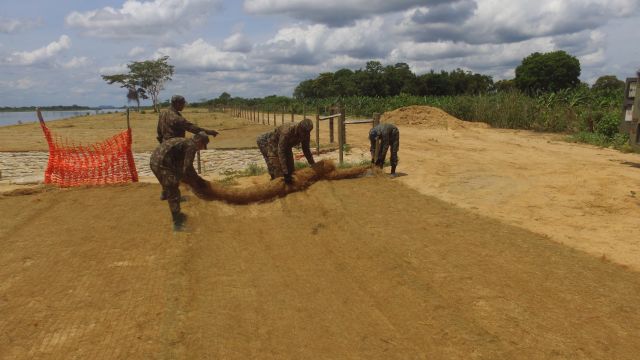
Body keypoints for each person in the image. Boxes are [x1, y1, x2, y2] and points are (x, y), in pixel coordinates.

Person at [150, 131, 209, 231]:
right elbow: (188, 168)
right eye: (203, 145)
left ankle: (165, 194)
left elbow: (182, 167)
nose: (202, 148)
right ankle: (178, 223)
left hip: (155, 161)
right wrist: (199, 181)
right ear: (199, 141)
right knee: (173, 189)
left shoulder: (185, 142)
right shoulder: (191, 146)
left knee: (172, 178)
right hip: (162, 165)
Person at [256, 118, 315, 184]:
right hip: (273, 144)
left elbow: (306, 149)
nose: (304, 135)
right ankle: (273, 181)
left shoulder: (306, 133)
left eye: (307, 133)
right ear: (299, 127)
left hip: (287, 146)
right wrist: (285, 172)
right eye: (303, 132)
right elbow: (281, 151)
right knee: (279, 175)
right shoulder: (287, 131)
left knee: (292, 171)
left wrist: (313, 164)